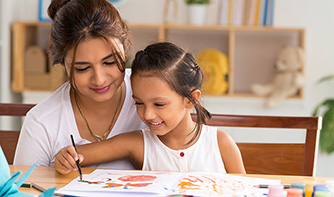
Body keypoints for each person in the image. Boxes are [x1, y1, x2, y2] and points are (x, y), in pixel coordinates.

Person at [55, 42, 246, 174]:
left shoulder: (220, 143)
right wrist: (66, 157)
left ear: (191, 99)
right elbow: (77, 155)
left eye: (159, 104)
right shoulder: (137, 143)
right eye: (139, 103)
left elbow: (244, 190)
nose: (147, 114)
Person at [13, 0, 146, 169]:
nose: (99, 79)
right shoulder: (42, 122)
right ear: (65, 66)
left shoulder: (153, 94)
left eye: (110, 62)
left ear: (125, 49)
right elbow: (22, 191)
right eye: (82, 68)